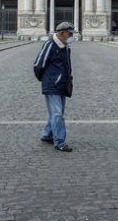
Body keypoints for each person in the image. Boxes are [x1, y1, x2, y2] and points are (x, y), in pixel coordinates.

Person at [33, 21, 75, 152]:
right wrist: (48, 80)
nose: (71, 36)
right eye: (69, 33)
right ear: (62, 33)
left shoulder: (65, 46)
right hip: (53, 84)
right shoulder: (50, 45)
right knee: (57, 113)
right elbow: (38, 65)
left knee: (57, 112)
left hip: (62, 84)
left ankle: (47, 135)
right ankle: (60, 142)